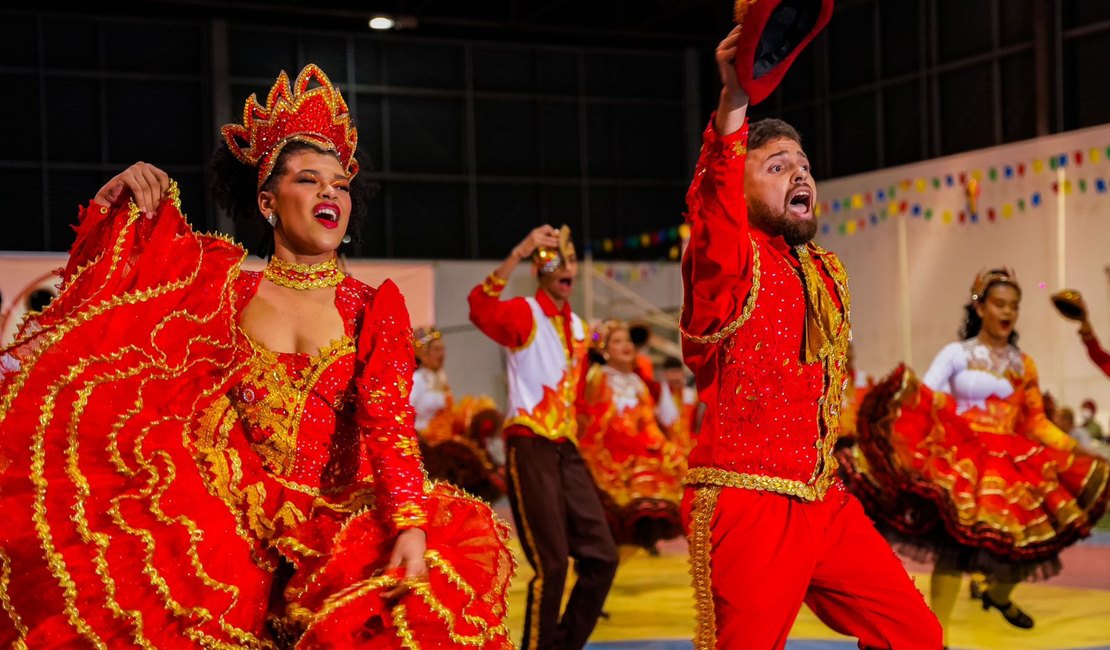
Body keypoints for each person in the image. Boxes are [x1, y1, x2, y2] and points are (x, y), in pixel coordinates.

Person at [0, 64, 514, 648]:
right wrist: (113, 198)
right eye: (309, 180)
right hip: (225, 534)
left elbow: (389, 427)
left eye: (340, 184)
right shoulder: (222, 292)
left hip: (339, 535)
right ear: (267, 201)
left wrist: (411, 525)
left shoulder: (374, 307)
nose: (330, 192)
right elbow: (114, 311)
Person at [678, 10, 942, 650]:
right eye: (775, 166)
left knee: (915, 635)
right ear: (737, 190)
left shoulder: (823, 270)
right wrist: (734, 101)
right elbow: (712, 202)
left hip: (825, 500)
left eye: (803, 165)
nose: (799, 173)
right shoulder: (730, 259)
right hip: (747, 503)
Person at [847, 268, 1110, 645]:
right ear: (980, 306)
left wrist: (1079, 450)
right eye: (1000, 304)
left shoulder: (1024, 364)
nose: (1007, 313)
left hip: (1010, 459)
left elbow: (1035, 422)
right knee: (953, 551)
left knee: (1030, 546)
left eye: (1014, 307)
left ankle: (997, 595)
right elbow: (926, 395)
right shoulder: (957, 353)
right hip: (962, 456)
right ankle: (938, 637)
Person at [468, 224, 618, 650]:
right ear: (542, 271)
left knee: (602, 557)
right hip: (530, 444)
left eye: (571, 262)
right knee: (552, 564)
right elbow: (479, 307)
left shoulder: (578, 329)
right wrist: (520, 250)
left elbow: (579, 392)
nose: (567, 268)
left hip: (565, 448)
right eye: (558, 262)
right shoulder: (524, 315)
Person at [577, 319, 686, 554]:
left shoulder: (638, 382)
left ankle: (646, 534)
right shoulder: (599, 377)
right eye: (617, 341)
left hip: (641, 442)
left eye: (627, 341)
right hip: (611, 445)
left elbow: (647, 418)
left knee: (671, 462)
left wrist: (659, 443)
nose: (625, 345)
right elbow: (593, 416)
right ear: (604, 350)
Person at [409, 326, 506, 503]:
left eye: (443, 349)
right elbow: (409, 410)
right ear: (424, 353)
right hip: (426, 439)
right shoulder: (418, 379)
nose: (441, 354)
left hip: (445, 434)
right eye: (436, 350)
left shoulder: (439, 377)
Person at [660, 355, 699, 453]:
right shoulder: (659, 393)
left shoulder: (691, 395)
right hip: (667, 448)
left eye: (678, 372)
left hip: (691, 446)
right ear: (665, 374)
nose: (676, 376)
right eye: (672, 372)